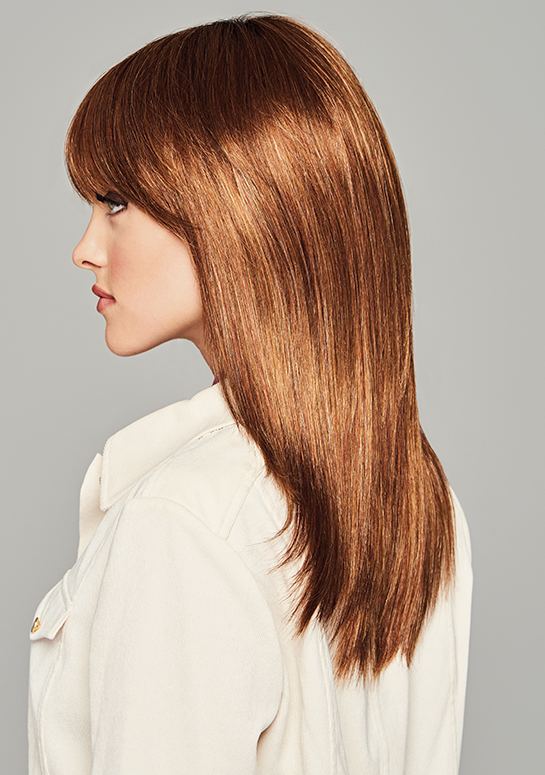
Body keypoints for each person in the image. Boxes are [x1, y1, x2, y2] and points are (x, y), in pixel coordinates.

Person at [28, 14, 472, 775]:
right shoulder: (420, 497)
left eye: (116, 202)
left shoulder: (183, 519)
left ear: (234, 208)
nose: (85, 248)